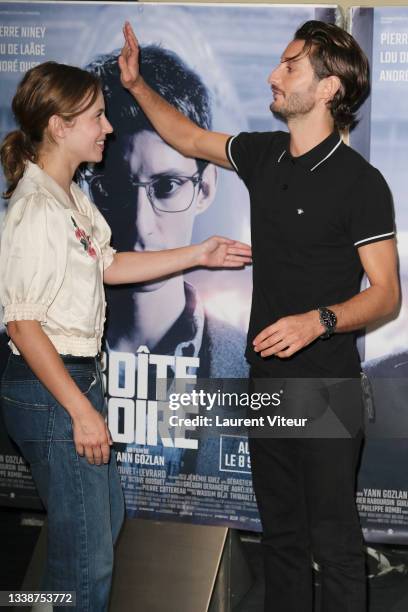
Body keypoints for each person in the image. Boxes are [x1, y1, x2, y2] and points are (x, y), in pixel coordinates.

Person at [118, 19, 400, 612]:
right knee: (283, 540)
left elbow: (386, 296)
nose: (275, 75)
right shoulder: (264, 153)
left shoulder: (362, 183)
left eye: (291, 65)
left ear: (328, 88)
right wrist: (138, 85)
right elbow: (190, 139)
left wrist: (316, 321)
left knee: (336, 544)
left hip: (327, 387)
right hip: (265, 382)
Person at [0, 61, 251, 611]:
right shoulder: (36, 208)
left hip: (69, 384)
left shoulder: (66, 199)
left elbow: (108, 265)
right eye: (95, 116)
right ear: (60, 126)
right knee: (85, 560)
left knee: (97, 529)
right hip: (53, 389)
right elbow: (21, 324)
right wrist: (81, 412)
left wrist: (200, 253)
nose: (106, 127)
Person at [82, 47, 249, 379]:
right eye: (111, 187)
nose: (140, 226)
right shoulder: (16, 360)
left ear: (205, 188)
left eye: (167, 186)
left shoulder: (251, 369)